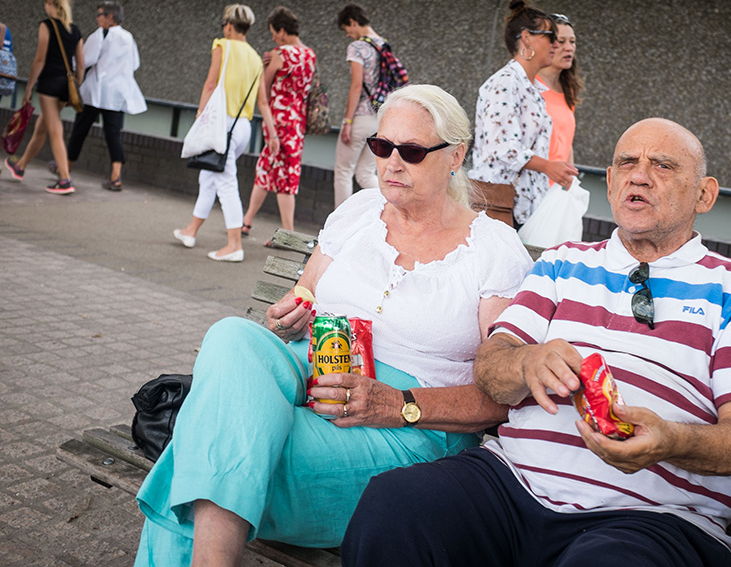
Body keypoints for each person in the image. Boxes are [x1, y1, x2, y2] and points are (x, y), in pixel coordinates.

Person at [342, 117, 731, 567]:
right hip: (513, 485)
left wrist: (672, 441)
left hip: (652, 519)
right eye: (626, 163)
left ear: (705, 194)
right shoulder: (562, 264)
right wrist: (525, 364)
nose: (638, 175)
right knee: (394, 504)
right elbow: (491, 367)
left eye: (662, 165)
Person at [134, 84, 534, 566]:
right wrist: (293, 311)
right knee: (232, 335)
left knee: (204, 446)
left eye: (410, 151)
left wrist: (396, 403)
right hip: (313, 373)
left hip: (408, 427)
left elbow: (501, 394)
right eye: (382, 147)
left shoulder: (493, 249)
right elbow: (305, 291)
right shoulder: (361, 211)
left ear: (456, 156)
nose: (391, 163)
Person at [467, 0, 578, 227]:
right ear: (527, 38)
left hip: (523, 207)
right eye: (551, 37)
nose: (557, 44)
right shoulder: (505, 81)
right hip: (497, 204)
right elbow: (501, 146)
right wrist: (548, 166)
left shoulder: (532, 88)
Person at [172, 4, 261, 263]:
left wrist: (201, 114)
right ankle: (191, 231)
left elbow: (210, 83)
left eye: (224, 24)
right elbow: (259, 99)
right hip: (243, 126)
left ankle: (234, 245)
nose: (223, 28)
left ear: (230, 25)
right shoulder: (256, 57)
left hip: (222, 124)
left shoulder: (223, 45)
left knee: (225, 183)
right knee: (209, 178)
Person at [240, 6, 316, 241]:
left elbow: (264, 85)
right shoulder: (310, 54)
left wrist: (267, 64)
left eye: (274, 33)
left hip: (279, 123)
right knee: (267, 169)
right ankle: (246, 222)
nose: (273, 38)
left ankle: (288, 235)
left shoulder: (281, 53)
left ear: (282, 32)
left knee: (283, 178)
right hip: (296, 123)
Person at [58, 1, 147, 191]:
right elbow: (135, 64)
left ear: (110, 17)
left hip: (96, 91)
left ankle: (65, 169)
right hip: (117, 95)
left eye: (99, 14)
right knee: (113, 134)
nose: (96, 18)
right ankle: (116, 177)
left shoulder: (101, 34)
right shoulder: (128, 37)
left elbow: (85, 59)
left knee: (80, 130)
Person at [4, 0, 84, 194]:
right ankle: (20, 166)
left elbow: (40, 59)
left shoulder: (46, 25)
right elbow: (81, 66)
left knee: (55, 131)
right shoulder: (75, 31)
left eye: (45, 3)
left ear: (50, 3)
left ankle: (65, 180)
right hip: (66, 86)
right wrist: (75, 89)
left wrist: (29, 86)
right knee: (42, 127)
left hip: (49, 84)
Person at [332, 2, 384, 208]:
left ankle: (341, 225)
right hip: (379, 119)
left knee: (343, 171)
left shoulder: (358, 47)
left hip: (361, 117)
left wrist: (347, 121)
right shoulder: (383, 44)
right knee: (365, 173)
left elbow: (356, 86)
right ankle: (390, 207)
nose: (348, 35)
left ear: (353, 22)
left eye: (347, 29)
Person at [535, 13, 583, 172]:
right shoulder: (529, 86)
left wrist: (571, 180)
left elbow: (566, 143)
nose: (569, 47)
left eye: (573, 42)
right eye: (561, 41)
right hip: (530, 188)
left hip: (556, 190)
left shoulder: (567, 89)